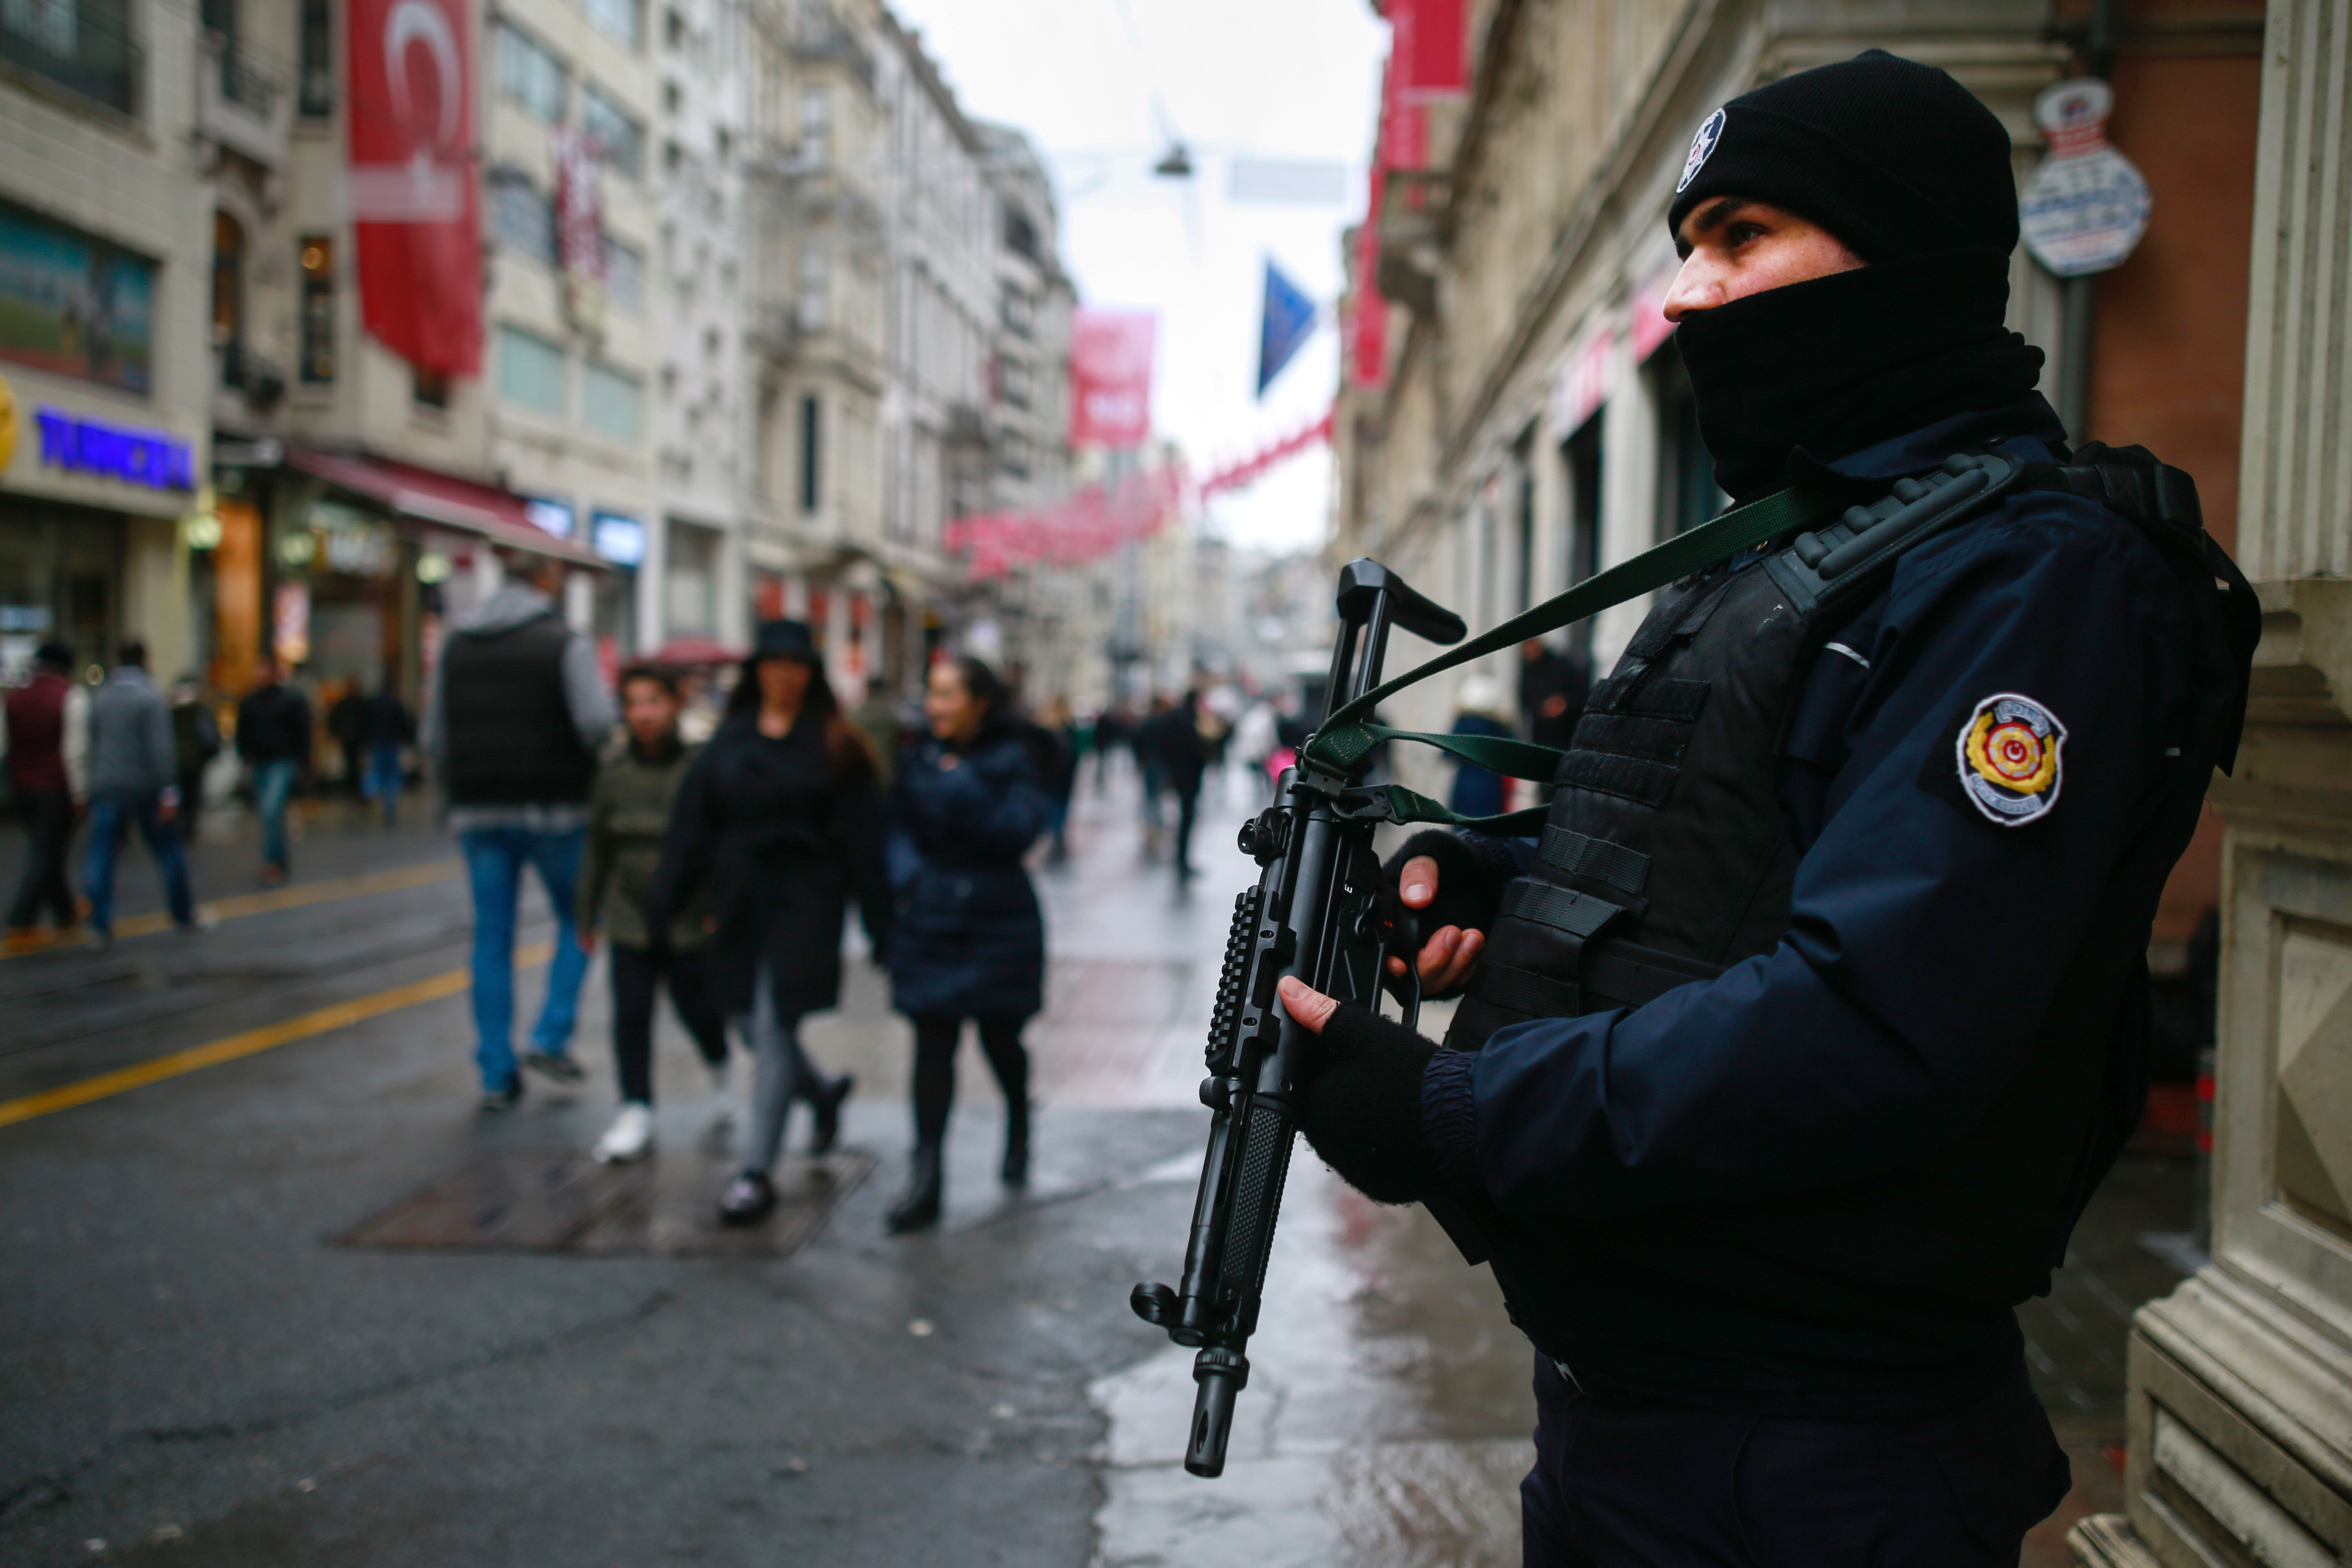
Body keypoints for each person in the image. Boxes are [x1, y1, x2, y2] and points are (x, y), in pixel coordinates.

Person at [1270, 52, 2258, 1567]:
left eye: (1742, 237)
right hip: (1641, 1405)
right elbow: (1717, 841)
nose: (1688, 296)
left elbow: (1880, 1018)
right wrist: (1496, 879)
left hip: (1811, 1448)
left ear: (1903, 253)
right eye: (1685, 248)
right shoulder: (1809, 543)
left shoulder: (2026, 576)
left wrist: (1454, 1109)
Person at [648, 619, 890, 1224]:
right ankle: (822, 1089)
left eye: (795, 665)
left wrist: (884, 927)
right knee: (748, 1025)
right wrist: (666, 903)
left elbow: (865, 844)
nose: (783, 676)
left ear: (810, 675)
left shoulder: (838, 745)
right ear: (758, 672)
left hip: (806, 903)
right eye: (773, 664)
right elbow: (691, 831)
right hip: (738, 903)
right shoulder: (727, 745)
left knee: (774, 1022)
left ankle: (755, 1172)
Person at [422, 553, 615, 1110]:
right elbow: (598, 722)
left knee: (491, 939)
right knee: (580, 919)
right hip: (556, 810)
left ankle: (495, 1071)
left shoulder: (456, 645)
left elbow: (434, 736)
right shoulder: (563, 642)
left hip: (479, 810)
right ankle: (551, 1036)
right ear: (547, 581)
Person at [882, 655, 1052, 1232]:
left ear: (980, 701)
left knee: (1002, 1040)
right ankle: (926, 1177)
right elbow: (897, 825)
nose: (936, 706)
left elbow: (1016, 833)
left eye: (949, 694)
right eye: (933, 693)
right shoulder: (917, 755)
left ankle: (1018, 1124)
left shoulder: (1014, 759)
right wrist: (908, 877)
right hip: (933, 916)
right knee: (932, 1043)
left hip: (998, 918)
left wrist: (962, 784)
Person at [577, 666, 732, 1164]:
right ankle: (635, 1106)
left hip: (689, 917)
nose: (644, 714)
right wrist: (586, 913)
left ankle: (720, 1063)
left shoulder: (699, 766)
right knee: (631, 1013)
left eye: (654, 702)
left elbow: (720, 843)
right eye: (634, 703)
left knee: (697, 1007)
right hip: (630, 917)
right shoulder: (613, 770)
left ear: (675, 705)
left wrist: (718, 910)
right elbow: (597, 845)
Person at [77, 641, 200, 948]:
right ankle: (183, 914)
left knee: (101, 854)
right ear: (146, 660)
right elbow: (161, 750)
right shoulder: (150, 697)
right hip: (144, 788)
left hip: (106, 786)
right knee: (168, 851)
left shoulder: (101, 695)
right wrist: (169, 792)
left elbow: (92, 741)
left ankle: (100, 924)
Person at [3, 642, 86, 941]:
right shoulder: (71, 697)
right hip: (54, 786)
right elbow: (73, 752)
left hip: (21, 785)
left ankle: (65, 912)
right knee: (47, 851)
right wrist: (80, 794)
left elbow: (6, 747)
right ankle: (21, 917)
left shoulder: (15, 698)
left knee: (47, 849)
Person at [235, 661, 311, 886]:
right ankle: (278, 859)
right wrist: (245, 754)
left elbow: (302, 734)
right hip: (261, 763)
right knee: (271, 815)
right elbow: (244, 731)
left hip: (281, 762)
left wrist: (302, 763)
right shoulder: (251, 702)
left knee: (270, 811)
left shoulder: (290, 701)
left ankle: (272, 863)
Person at [1136, 690, 1209, 878]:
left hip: (1177, 774)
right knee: (1185, 816)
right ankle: (1180, 857)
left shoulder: (1172, 719)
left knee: (1160, 803)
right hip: (1186, 776)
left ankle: (1173, 850)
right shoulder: (1187, 720)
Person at [1445, 674, 1512, 820]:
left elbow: (1446, 755)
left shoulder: (1461, 726)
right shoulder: (1499, 728)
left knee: (1462, 831)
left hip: (1464, 784)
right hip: (1491, 786)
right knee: (1488, 831)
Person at [169, 675, 221, 846]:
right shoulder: (200, 711)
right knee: (192, 797)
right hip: (194, 762)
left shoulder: (171, 711)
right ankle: (188, 829)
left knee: (180, 796)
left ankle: (180, 828)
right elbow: (209, 737)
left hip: (177, 761)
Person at [1516, 637, 1588, 754]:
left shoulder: (1562, 666)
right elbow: (1526, 701)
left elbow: (1580, 693)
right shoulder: (1527, 671)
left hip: (1565, 730)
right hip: (1542, 733)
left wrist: (1564, 704)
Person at [357, 686, 413, 826]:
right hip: (392, 744)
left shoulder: (372, 705)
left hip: (376, 743)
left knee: (376, 770)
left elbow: (364, 724)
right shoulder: (396, 705)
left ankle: (371, 793)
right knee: (392, 775)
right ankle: (390, 804)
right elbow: (404, 724)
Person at [326, 685, 366, 798]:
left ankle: (354, 789)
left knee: (355, 764)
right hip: (350, 738)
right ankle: (353, 789)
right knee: (352, 764)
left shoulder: (357, 704)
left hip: (354, 739)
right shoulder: (351, 704)